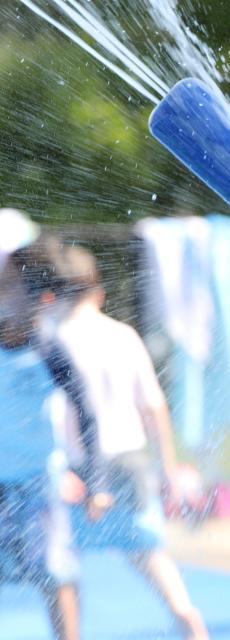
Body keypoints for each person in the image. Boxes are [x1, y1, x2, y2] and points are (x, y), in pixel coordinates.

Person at [52, 245, 209, 640]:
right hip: (131, 456)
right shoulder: (123, 335)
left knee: (63, 560)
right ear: (99, 292)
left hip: (80, 465)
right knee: (146, 551)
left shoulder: (55, 340)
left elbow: (57, 413)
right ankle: (184, 612)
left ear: (54, 293)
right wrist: (169, 467)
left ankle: (69, 633)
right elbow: (155, 406)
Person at [0, 240, 104, 640]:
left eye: (7, 286)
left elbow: (88, 412)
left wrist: (97, 481)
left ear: (42, 300)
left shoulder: (48, 350)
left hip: (36, 484)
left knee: (55, 572)